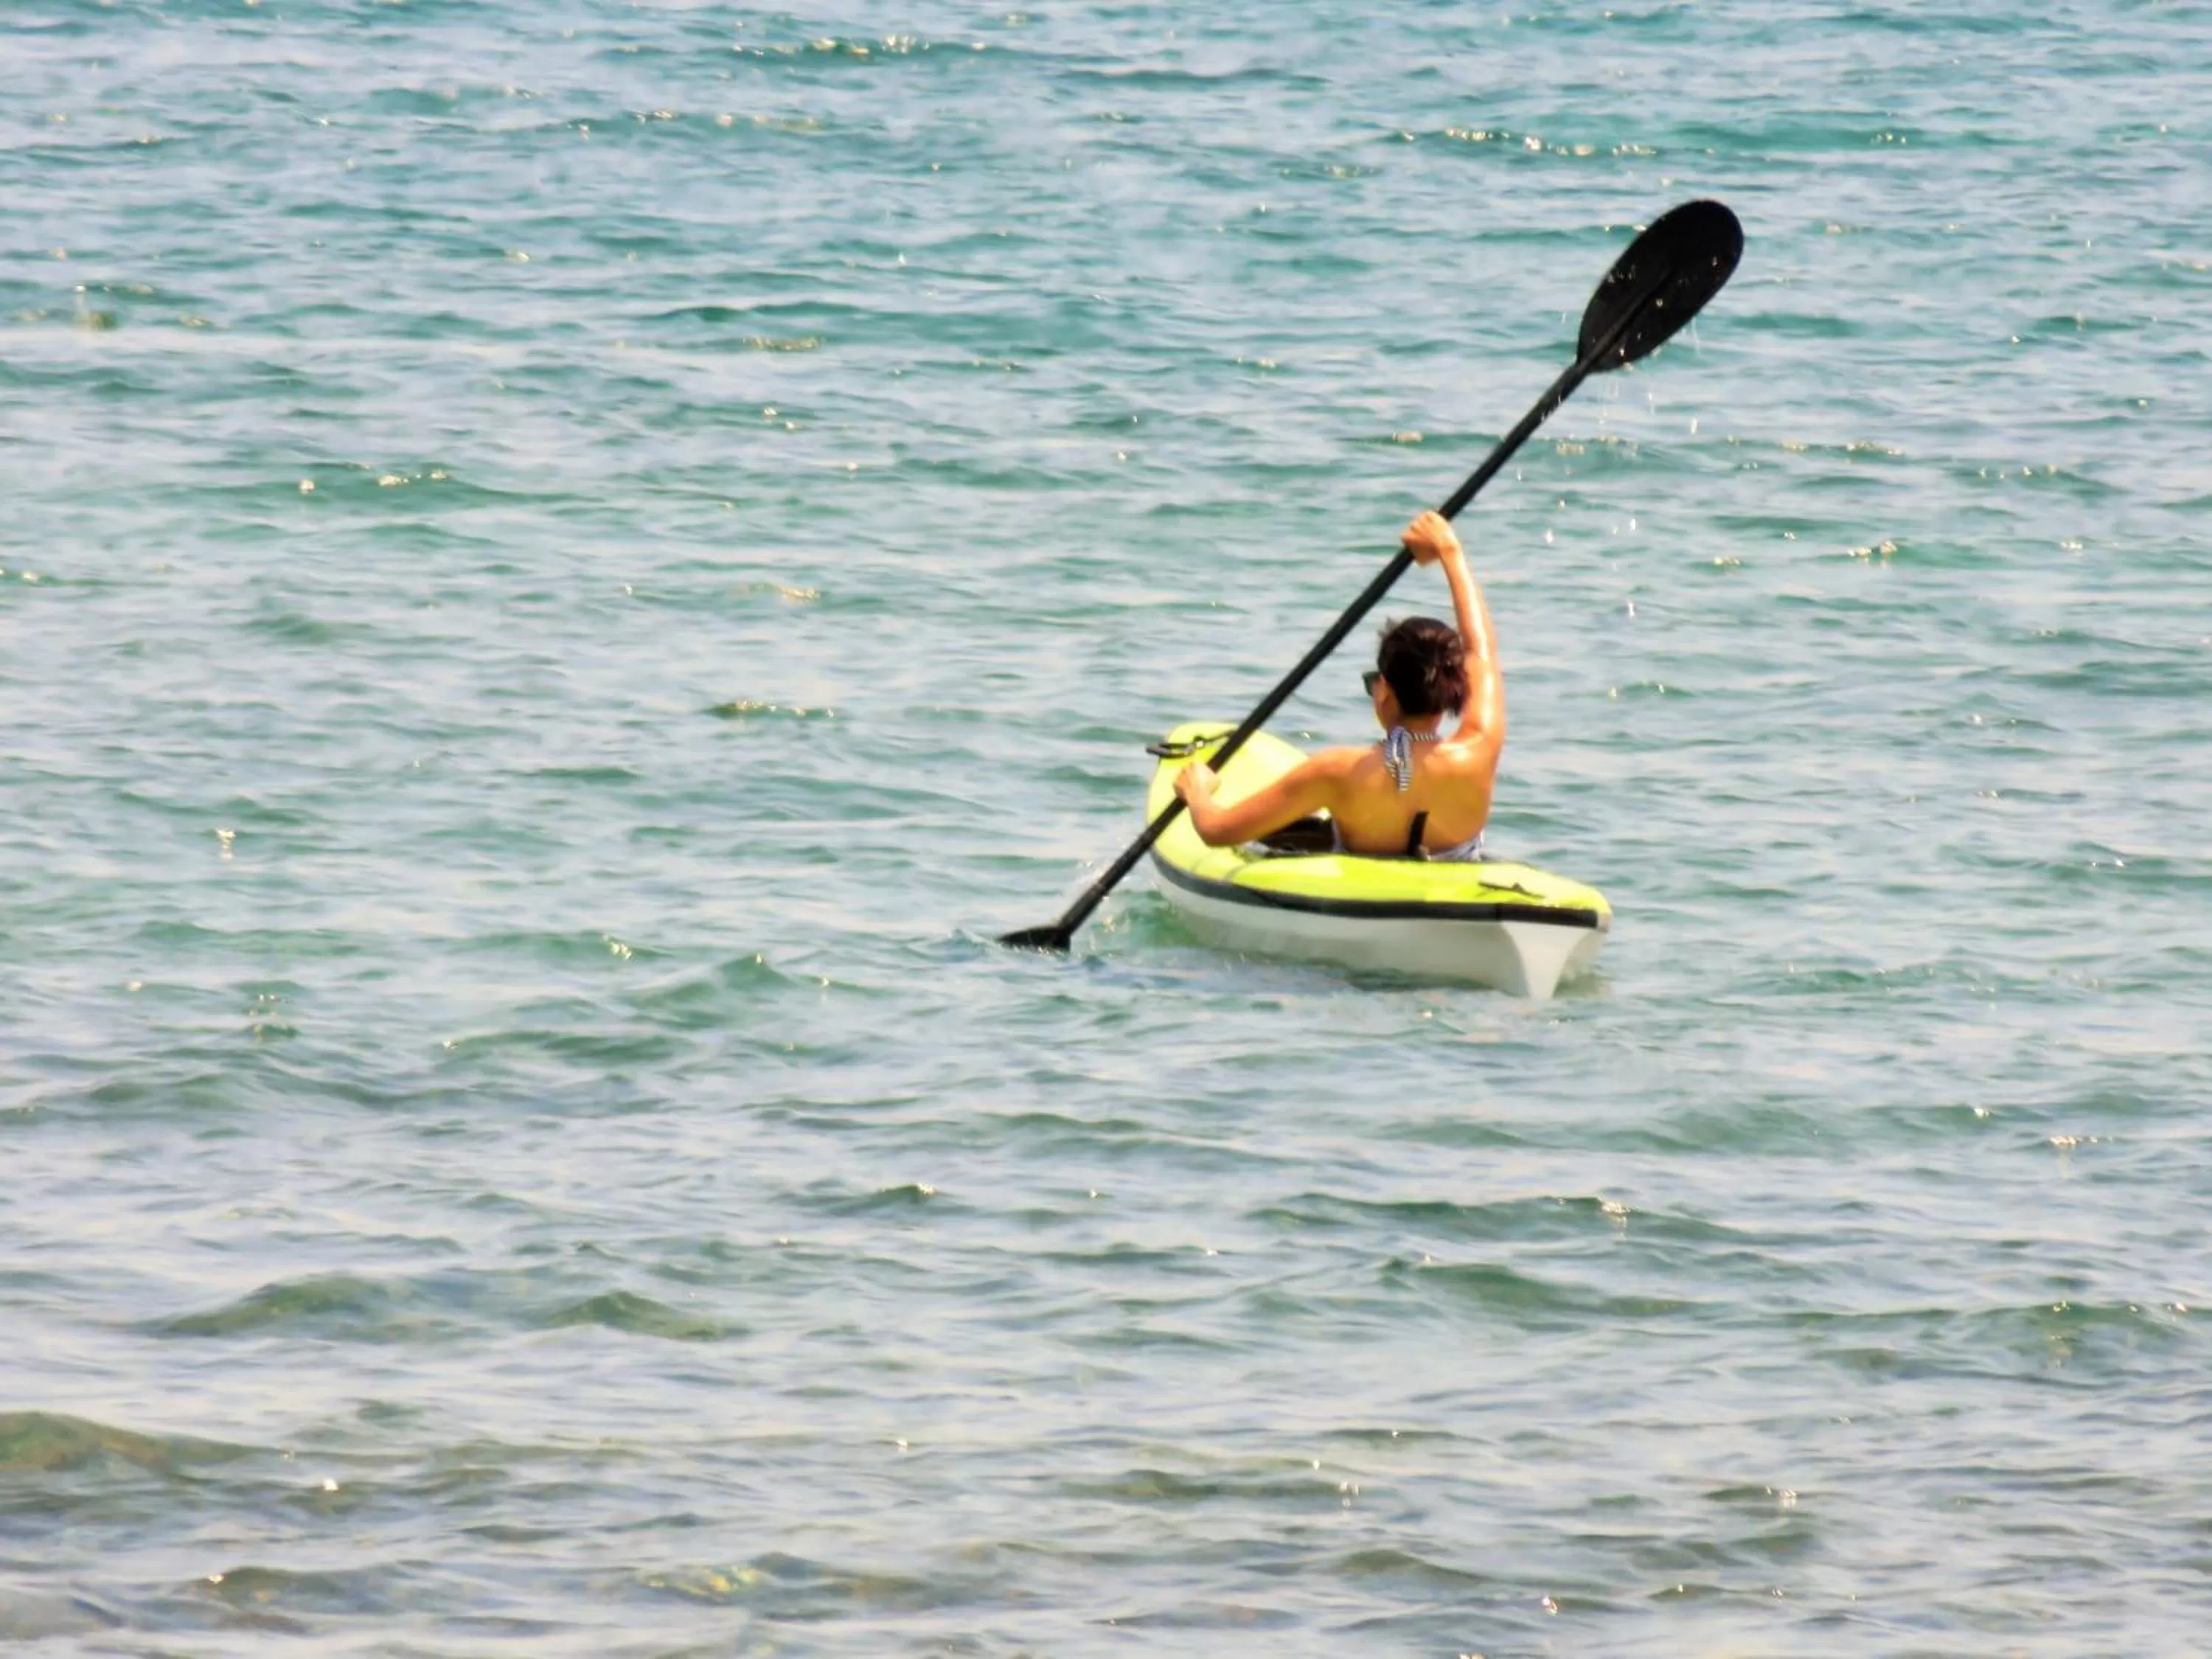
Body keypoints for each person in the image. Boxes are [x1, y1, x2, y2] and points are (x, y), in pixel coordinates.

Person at [1172, 509, 1504, 861]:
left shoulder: (1337, 771)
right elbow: (1480, 650)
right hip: (1450, 897)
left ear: (1385, 690)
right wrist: (1451, 553)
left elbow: (1216, 830)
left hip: (1364, 901)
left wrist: (1198, 794)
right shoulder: (1480, 749)